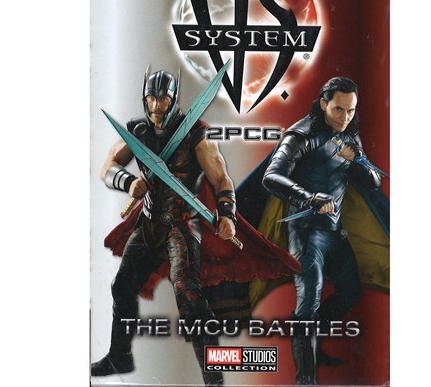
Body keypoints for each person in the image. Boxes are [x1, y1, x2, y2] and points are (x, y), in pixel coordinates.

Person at [91, 69, 236, 386]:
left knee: (189, 296)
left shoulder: (195, 133)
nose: (157, 106)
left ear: (174, 99)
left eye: (163, 99)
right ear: (144, 98)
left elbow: (221, 179)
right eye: (151, 99)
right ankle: (120, 357)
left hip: (182, 226)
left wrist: (227, 214)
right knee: (122, 286)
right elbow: (106, 168)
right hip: (149, 223)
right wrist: (128, 181)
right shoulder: (137, 131)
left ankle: (213, 377)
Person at [262, 76, 382, 386]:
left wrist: (357, 160)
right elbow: (271, 176)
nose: (345, 117)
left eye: (351, 111)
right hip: (305, 233)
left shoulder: (348, 133)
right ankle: (306, 380)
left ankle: (313, 346)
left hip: (334, 232)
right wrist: (309, 197)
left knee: (350, 292)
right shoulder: (301, 135)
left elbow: (373, 181)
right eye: (338, 110)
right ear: (323, 104)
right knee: (307, 307)